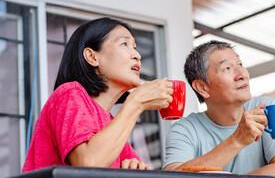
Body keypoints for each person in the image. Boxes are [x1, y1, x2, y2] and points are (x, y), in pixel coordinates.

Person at [22, 17, 173, 172]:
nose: (137, 55)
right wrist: (137, 102)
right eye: (124, 44)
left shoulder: (111, 126)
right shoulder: (69, 94)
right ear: (92, 57)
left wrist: (134, 170)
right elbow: (88, 164)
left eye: (135, 47)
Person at [163, 40, 275, 176]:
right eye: (227, 68)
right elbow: (172, 177)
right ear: (202, 87)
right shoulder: (185, 130)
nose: (242, 75)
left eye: (240, 64)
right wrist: (237, 140)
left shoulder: (266, 110)